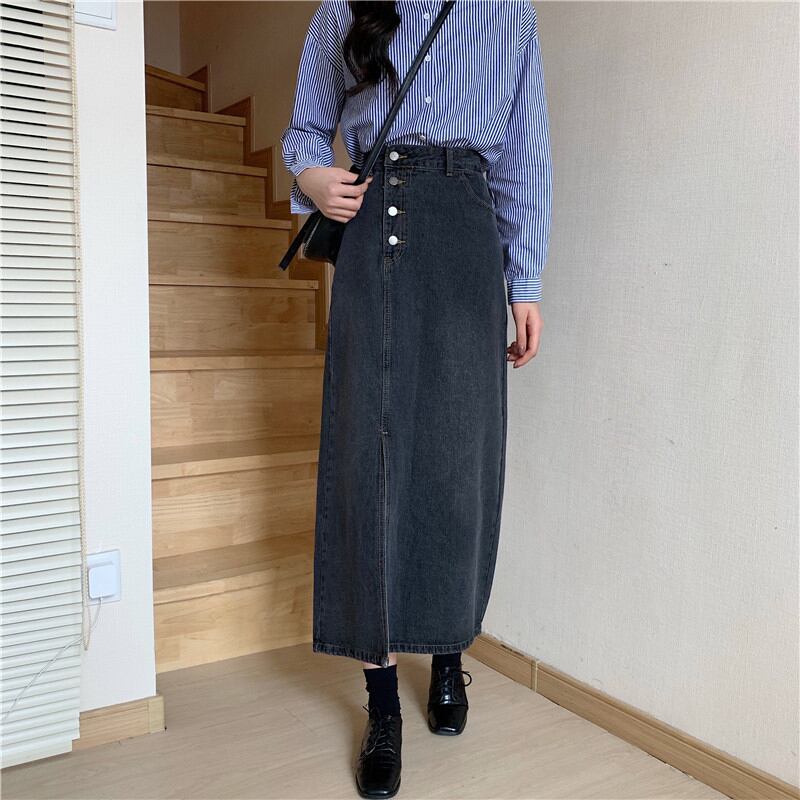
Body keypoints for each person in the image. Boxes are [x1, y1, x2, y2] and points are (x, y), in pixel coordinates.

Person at [280, 0, 552, 796]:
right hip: (374, 228)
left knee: (456, 459)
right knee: (371, 461)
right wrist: (314, 178)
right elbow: (304, 130)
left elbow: (525, 153)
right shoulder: (343, 11)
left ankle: (447, 654)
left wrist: (526, 281)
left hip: (467, 235)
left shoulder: (508, 14)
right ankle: (381, 703)